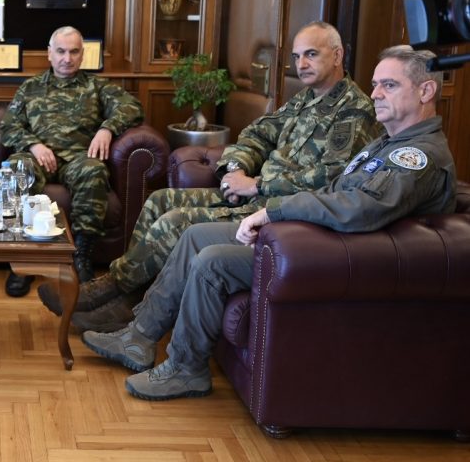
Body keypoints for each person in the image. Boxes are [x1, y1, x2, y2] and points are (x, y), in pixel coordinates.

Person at [82, 45, 456, 401]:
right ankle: (138, 337)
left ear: (425, 91)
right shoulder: (387, 143)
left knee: (212, 261)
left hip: (327, 254)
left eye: (389, 85)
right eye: (375, 84)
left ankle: (185, 368)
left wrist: (274, 210)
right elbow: (331, 190)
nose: (375, 94)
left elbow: (357, 208)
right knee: (195, 235)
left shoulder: (417, 156)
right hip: (307, 235)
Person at [39, 22, 380, 330]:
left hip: (277, 211)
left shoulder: (354, 110)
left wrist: (257, 185)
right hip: (251, 195)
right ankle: (129, 298)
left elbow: (330, 179)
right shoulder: (305, 99)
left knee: (174, 222)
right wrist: (235, 170)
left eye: (311, 54)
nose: (301, 64)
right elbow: (256, 134)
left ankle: (111, 292)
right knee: (159, 200)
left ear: (338, 55)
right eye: (296, 56)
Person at [0, 26, 144, 296]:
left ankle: (82, 256)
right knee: (17, 168)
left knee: (94, 171)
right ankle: (22, 259)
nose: (67, 58)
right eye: (61, 51)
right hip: (38, 158)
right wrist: (33, 145)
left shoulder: (96, 87)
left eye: (74, 52)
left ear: (82, 54)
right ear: (49, 54)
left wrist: (107, 128)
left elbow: (132, 107)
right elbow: (7, 127)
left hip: (78, 159)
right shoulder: (31, 87)